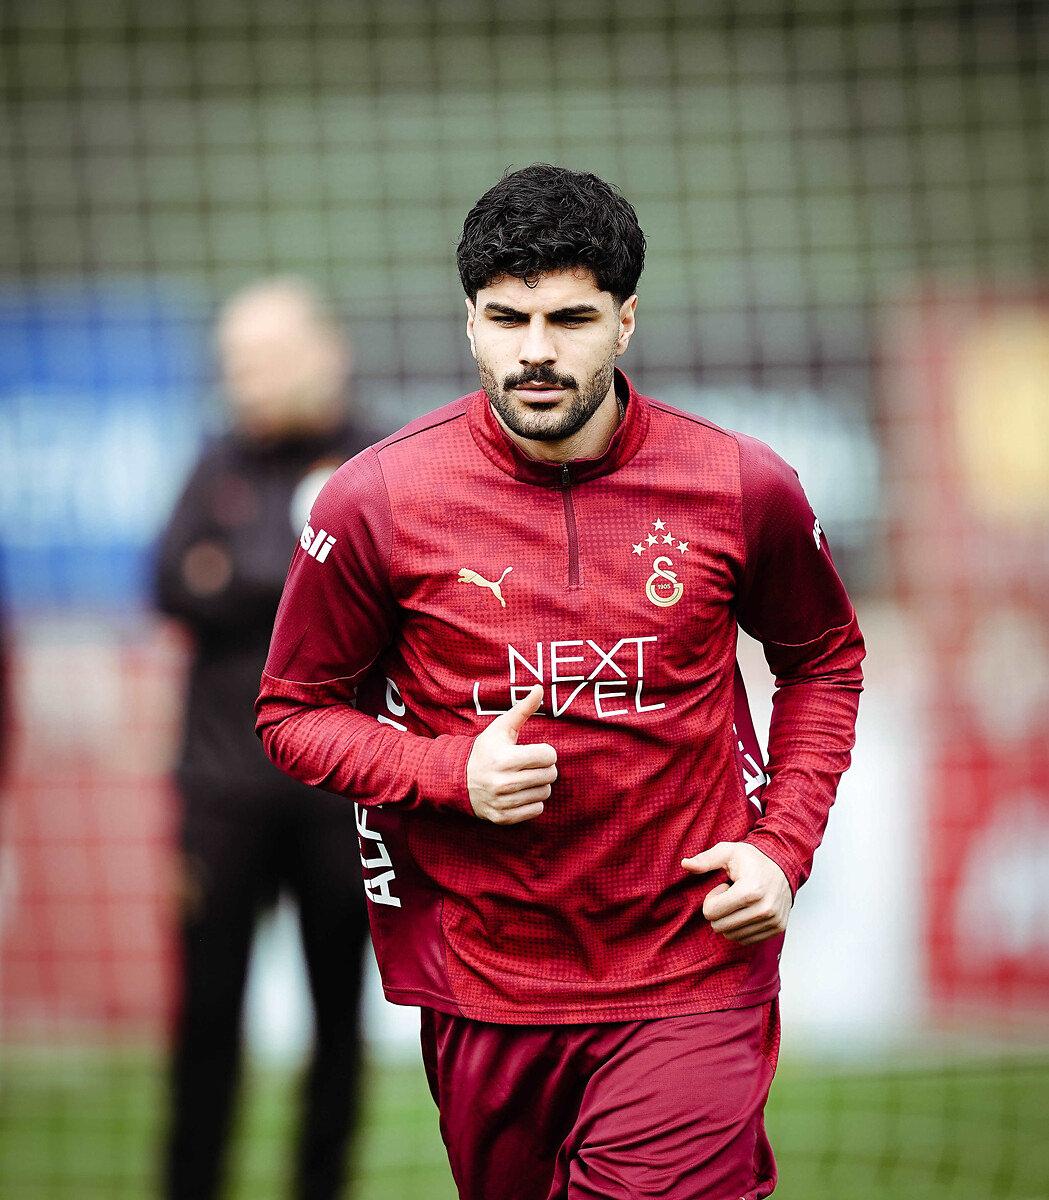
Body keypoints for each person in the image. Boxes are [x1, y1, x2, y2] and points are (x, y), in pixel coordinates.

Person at [256, 167, 865, 1200]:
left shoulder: (739, 483)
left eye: (569, 319)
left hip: (690, 963)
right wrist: (450, 773)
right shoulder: (375, 498)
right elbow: (291, 713)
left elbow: (822, 661)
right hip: (485, 981)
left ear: (624, 322)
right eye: (507, 318)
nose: (535, 350)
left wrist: (781, 847)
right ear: (470, 324)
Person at [156, 279, 373, 1200]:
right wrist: (296, 576)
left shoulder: (378, 458)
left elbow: (389, 594)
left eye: (263, 360)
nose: (245, 380)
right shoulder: (217, 461)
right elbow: (170, 581)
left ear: (324, 354)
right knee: (205, 1018)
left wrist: (240, 571)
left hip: (342, 795)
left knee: (338, 1020)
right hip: (222, 797)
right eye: (234, 363)